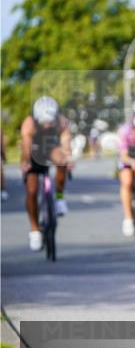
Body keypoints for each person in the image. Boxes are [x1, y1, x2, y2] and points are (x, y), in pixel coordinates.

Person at [20, 96, 73, 251]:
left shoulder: (61, 122)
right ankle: (35, 230)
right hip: (34, 150)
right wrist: (26, 162)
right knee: (32, 191)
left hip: (50, 147)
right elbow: (26, 147)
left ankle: (59, 197)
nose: (48, 124)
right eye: (44, 122)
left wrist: (68, 156)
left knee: (62, 160)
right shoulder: (29, 124)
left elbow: (65, 141)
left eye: (50, 121)